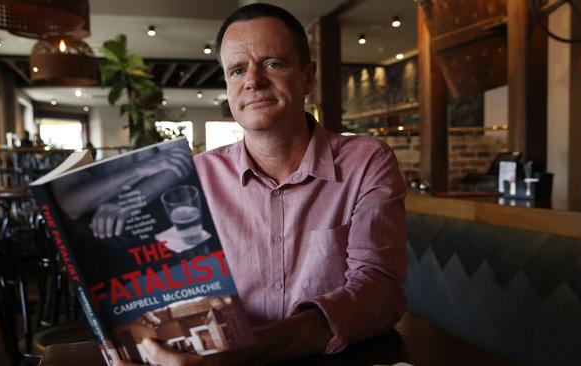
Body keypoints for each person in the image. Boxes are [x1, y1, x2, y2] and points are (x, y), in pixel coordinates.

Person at [118, 3, 406, 366]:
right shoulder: (195, 178)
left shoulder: (366, 162)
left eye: (273, 63)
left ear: (307, 77)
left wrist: (246, 351)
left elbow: (380, 291)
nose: (253, 80)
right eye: (237, 70)